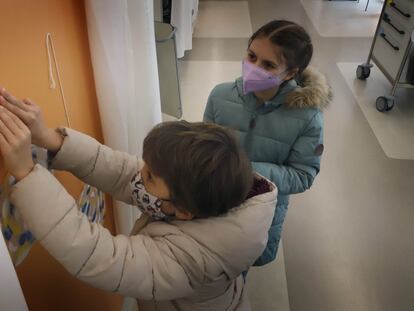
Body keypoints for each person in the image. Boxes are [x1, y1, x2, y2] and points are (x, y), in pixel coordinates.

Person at [0, 88, 277, 311]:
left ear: (182, 211)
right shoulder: (201, 196)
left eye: (150, 176)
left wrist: (27, 174)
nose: (138, 174)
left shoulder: (190, 260)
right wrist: (50, 138)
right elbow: (121, 171)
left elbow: (98, 255)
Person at [203, 20, 331, 266]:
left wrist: (247, 171)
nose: (254, 67)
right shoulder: (220, 96)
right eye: (251, 56)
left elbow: (304, 174)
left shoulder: (308, 117)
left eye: (268, 65)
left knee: (241, 265)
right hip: (217, 199)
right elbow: (206, 144)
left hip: (262, 210)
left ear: (291, 73)